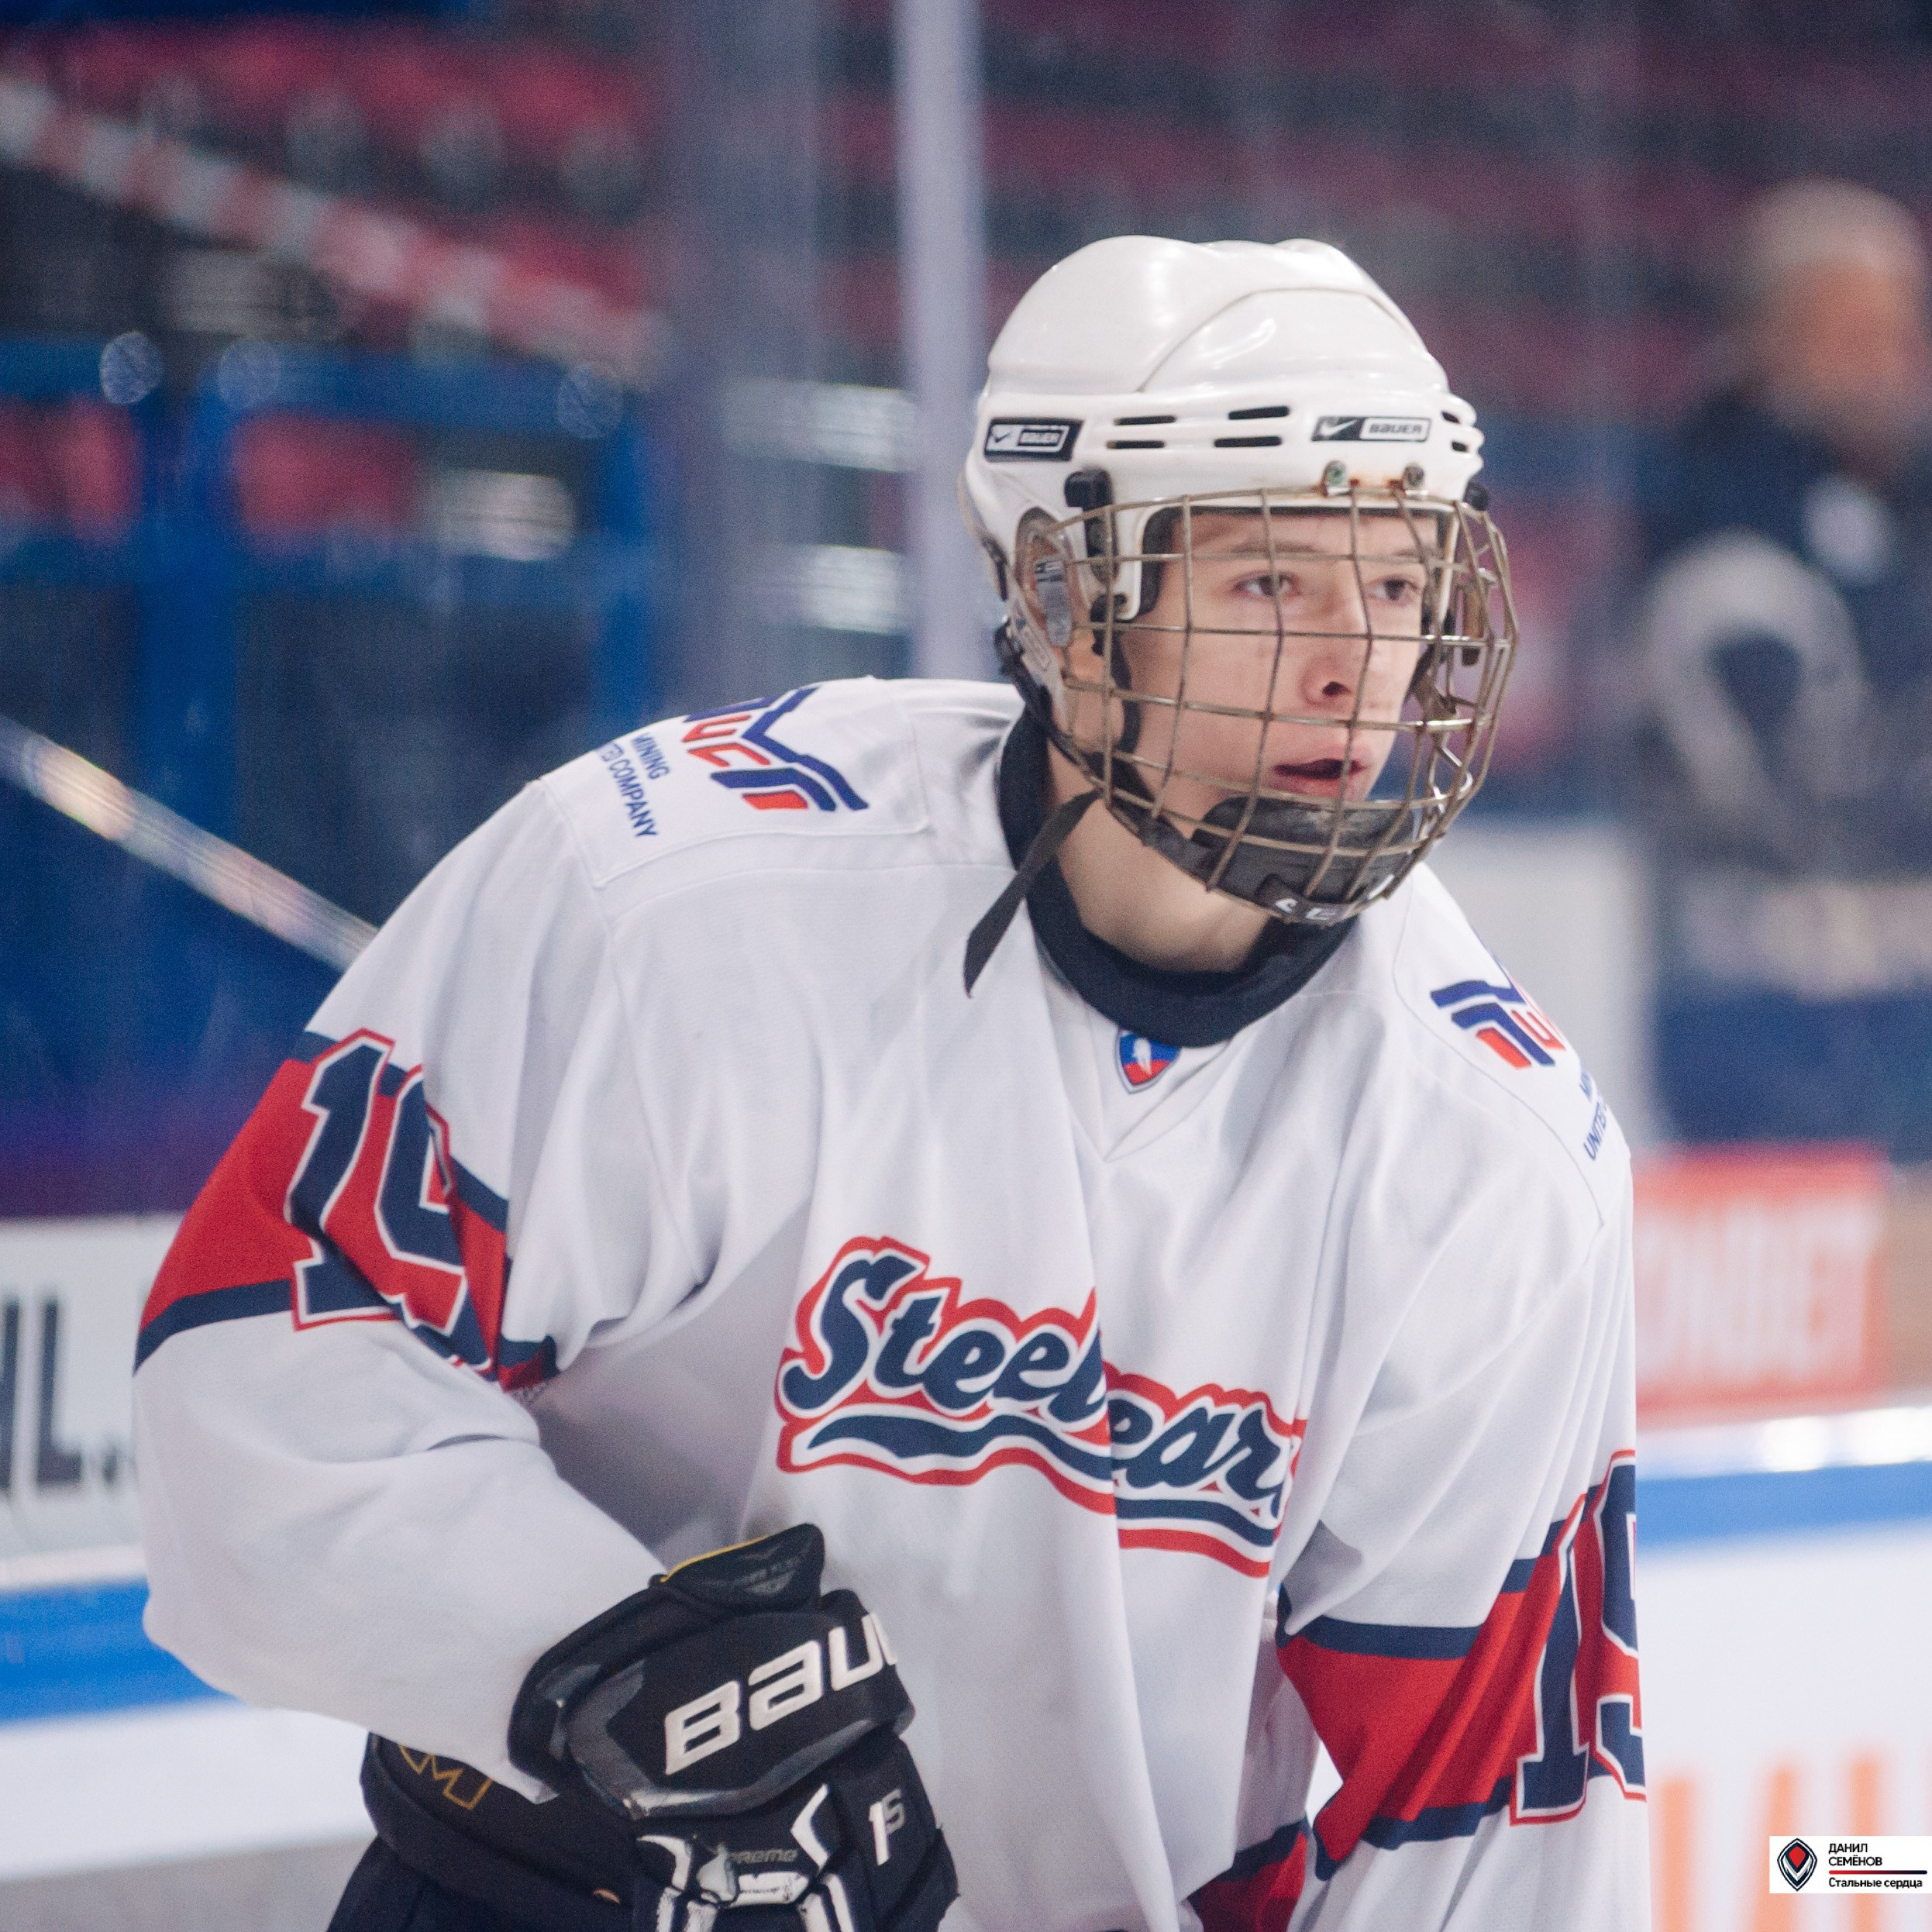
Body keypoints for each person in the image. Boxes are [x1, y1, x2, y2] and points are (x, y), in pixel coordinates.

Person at [132, 237, 1648, 1932]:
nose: (1353, 665)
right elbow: (258, 1363)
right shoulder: (670, 904)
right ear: (1068, 596)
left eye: (1397, 579)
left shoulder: (1483, 1145)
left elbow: (1482, 1817)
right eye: (1272, 583)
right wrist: (596, 1665)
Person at [1633, 178, 1932, 1154]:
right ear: (1764, 343)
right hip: (1753, 1013)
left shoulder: (1903, 508)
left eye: (1901, 331)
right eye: (1850, 331)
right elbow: (1796, 782)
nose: (1888, 363)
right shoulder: (1708, 526)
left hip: (1905, 1019)